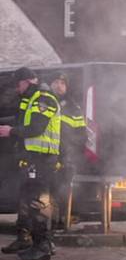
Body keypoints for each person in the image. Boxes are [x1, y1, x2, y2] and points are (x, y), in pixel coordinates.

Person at [0, 67, 61, 260]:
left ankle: (42, 247)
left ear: (26, 81)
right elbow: (22, 121)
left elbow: (35, 128)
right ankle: (40, 243)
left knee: (37, 201)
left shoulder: (44, 98)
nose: (17, 90)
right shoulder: (32, 98)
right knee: (30, 198)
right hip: (35, 157)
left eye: (18, 85)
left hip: (43, 158)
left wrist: (11, 132)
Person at [50, 71, 84, 231]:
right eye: (56, 82)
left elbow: (81, 133)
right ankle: (49, 222)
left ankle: (62, 220)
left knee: (63, 189)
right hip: (47, 153)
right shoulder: (44, 102)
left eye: (62, 83)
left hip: (65, 156)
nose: (59, 85)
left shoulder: (72, 107)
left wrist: (70, 151)